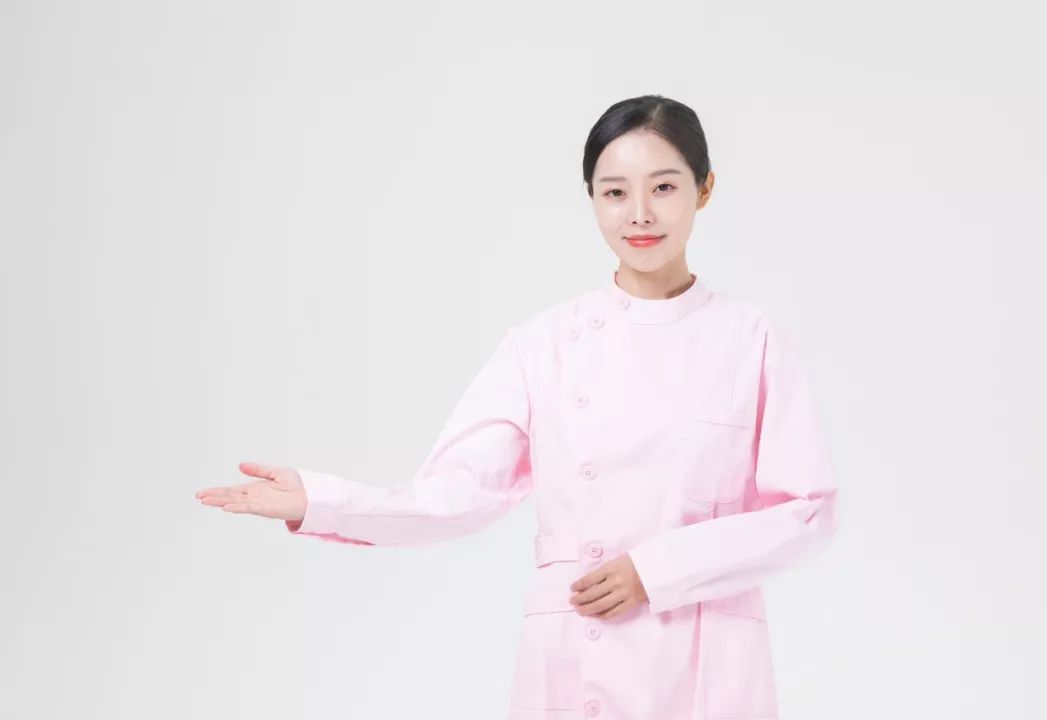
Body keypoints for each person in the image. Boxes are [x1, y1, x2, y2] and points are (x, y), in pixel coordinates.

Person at [196, 94, 839, 720]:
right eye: (615, 192)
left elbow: (806, 512)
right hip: (576, 653)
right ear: (592, 199)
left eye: (664, 187)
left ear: (704, 189)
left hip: (708, 664)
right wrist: (319, 501)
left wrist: (657, 569)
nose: (640, 214)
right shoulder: (543, 345)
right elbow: (457, 494)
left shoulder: (751, 338)